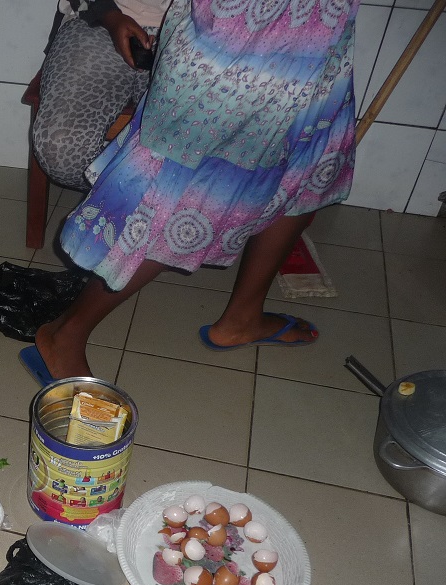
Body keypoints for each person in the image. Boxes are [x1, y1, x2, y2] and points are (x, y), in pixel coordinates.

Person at [21, 0, 357, 382]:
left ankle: (243, 317)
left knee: (302, 170)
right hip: (237, 41)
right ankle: (66, 334)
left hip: (321, 38)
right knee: (184, 198)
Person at [32, 0, 171, 191]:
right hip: (93, 19)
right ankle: (131, 200)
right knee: (60, 150)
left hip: (198, 33)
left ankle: (141, 204)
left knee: (181, 152)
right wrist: (109, 15)